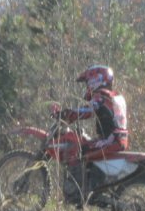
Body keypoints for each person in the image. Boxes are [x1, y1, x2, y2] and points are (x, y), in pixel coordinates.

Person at [51, 64, 128, 199]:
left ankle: (83, 191)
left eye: (87, 82)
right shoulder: (115, 96)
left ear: (95, 80)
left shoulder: (101, 96)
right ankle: (88, 188)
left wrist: (66, 114)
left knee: (80, 150)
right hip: (117, 138)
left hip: (111, 140)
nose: (87, 86)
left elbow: (87, 111)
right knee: (84, 144)